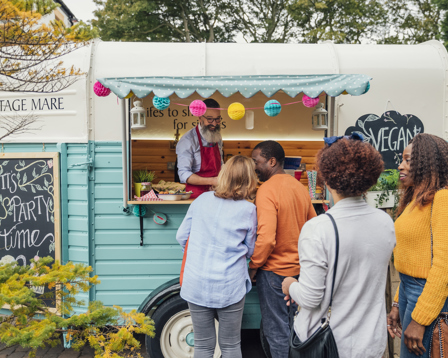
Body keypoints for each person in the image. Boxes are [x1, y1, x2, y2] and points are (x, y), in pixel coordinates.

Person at [282, 134, 396, 358]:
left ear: (327, 178)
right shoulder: (385, 222)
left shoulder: (318, 228)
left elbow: (310, 298)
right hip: (371, 341)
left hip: (329, 343)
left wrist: (290, 286)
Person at [176, 155, 258, 358]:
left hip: (196, 281)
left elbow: (181, 236)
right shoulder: (249, 210)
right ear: (249, 180)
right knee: (230, 345)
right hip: (229, 284)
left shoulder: (201, 200)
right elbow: (250, 249)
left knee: (203, 345)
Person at [249, 140, 316, 358]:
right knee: (296, 329)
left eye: (256, 161)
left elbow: (266, 239)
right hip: (300, 273)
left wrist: (253, 266)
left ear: (271, 161)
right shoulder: (300, 188)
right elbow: (313, 228)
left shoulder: (266, 190)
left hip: (274, 273)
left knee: (276, 332)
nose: (253, 166)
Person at [387, 133, 448, 358]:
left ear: (427, 164)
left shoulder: (443, 200)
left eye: (408, 160)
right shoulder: (417, 200)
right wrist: (396, 302)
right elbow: (412, 258)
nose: (400, 166)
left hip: (427, 295)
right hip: (408, 290)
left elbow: (443, 266)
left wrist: (420, 320)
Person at [176, 98, 223, 198]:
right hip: (196, 196)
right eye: (210, 119)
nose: (214, 124)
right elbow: (184, 174)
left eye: (217, 119)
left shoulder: (217, 136)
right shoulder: (188, 140)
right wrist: (213, 181)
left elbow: (221, 164)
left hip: (217, 193)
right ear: (200, 118)